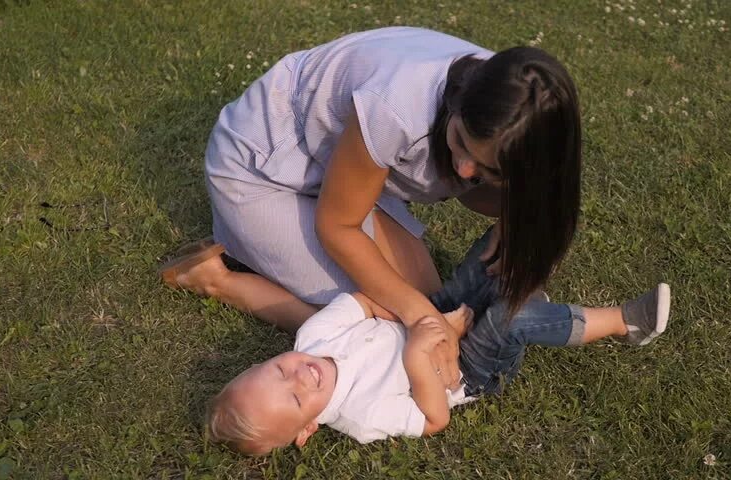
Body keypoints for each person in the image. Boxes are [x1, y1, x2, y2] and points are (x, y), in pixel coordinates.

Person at [160, 26, 586, 387]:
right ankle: (217, 281)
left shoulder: (517, 104)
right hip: (261, 166)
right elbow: (338, 227)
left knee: (424, 300)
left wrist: (516, 222)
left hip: (334, 168)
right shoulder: (399, 109)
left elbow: (511, 191)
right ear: (459, 104)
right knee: (387, 326)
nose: (464, 167)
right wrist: (418, 316)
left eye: (486, 168)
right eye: (460, 144)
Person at [205, 230, 671, 454]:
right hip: (466, 370)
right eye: (295, 397)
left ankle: (521, 280)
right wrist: (418, 354)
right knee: (507, 322)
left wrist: (431, 322)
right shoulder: (361, 415)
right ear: (306, 430)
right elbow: (434, 418)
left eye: (278, 369)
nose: (300, 376)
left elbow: (366, 304)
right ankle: (627, 323)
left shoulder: (313, 336)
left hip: (429, 318)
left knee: (484, 256)